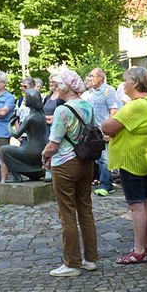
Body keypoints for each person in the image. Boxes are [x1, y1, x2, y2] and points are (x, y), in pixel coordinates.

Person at [41, 69, 99, 278]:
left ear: (66, 87)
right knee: (85, 209)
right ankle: (91, 259)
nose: (54, 87)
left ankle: (71, 263)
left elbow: (53, 143)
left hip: (65, 164)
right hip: (86, 162)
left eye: (56, 84)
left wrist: (44, 155)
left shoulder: (62, 110)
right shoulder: (87, 105)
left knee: (67, 213)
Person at [102, 66, 147, 264]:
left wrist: (113, 124)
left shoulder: (136, 105)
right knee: (144, 203)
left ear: (135, 83)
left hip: (132, 161)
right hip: (142, 158)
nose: (122, 84)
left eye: (125, 80)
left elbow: (107, 126)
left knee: (136, 205)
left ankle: (139, 249)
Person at [86, 68, 120, 196]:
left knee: (105, 159)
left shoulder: (109, 90)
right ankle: (103, 182)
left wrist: (110, 131)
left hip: (103, 130)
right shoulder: (90, 92)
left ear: (101, 77)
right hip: (92, 132)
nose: (90, 78)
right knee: (98, 159)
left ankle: (107, 185)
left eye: (93, 76)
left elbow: (113, 110)